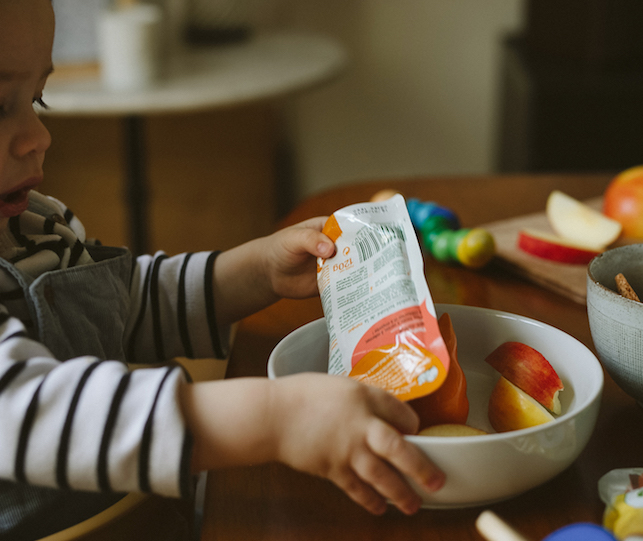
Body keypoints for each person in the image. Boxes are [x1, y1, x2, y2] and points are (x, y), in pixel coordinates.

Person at [0, 0, 445, 538]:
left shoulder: (36, 225)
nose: (38, 136)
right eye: (1, 105)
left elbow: (129, 305)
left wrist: (256, 270)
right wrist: (277, 417)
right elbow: (29, 412)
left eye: (35, 98)